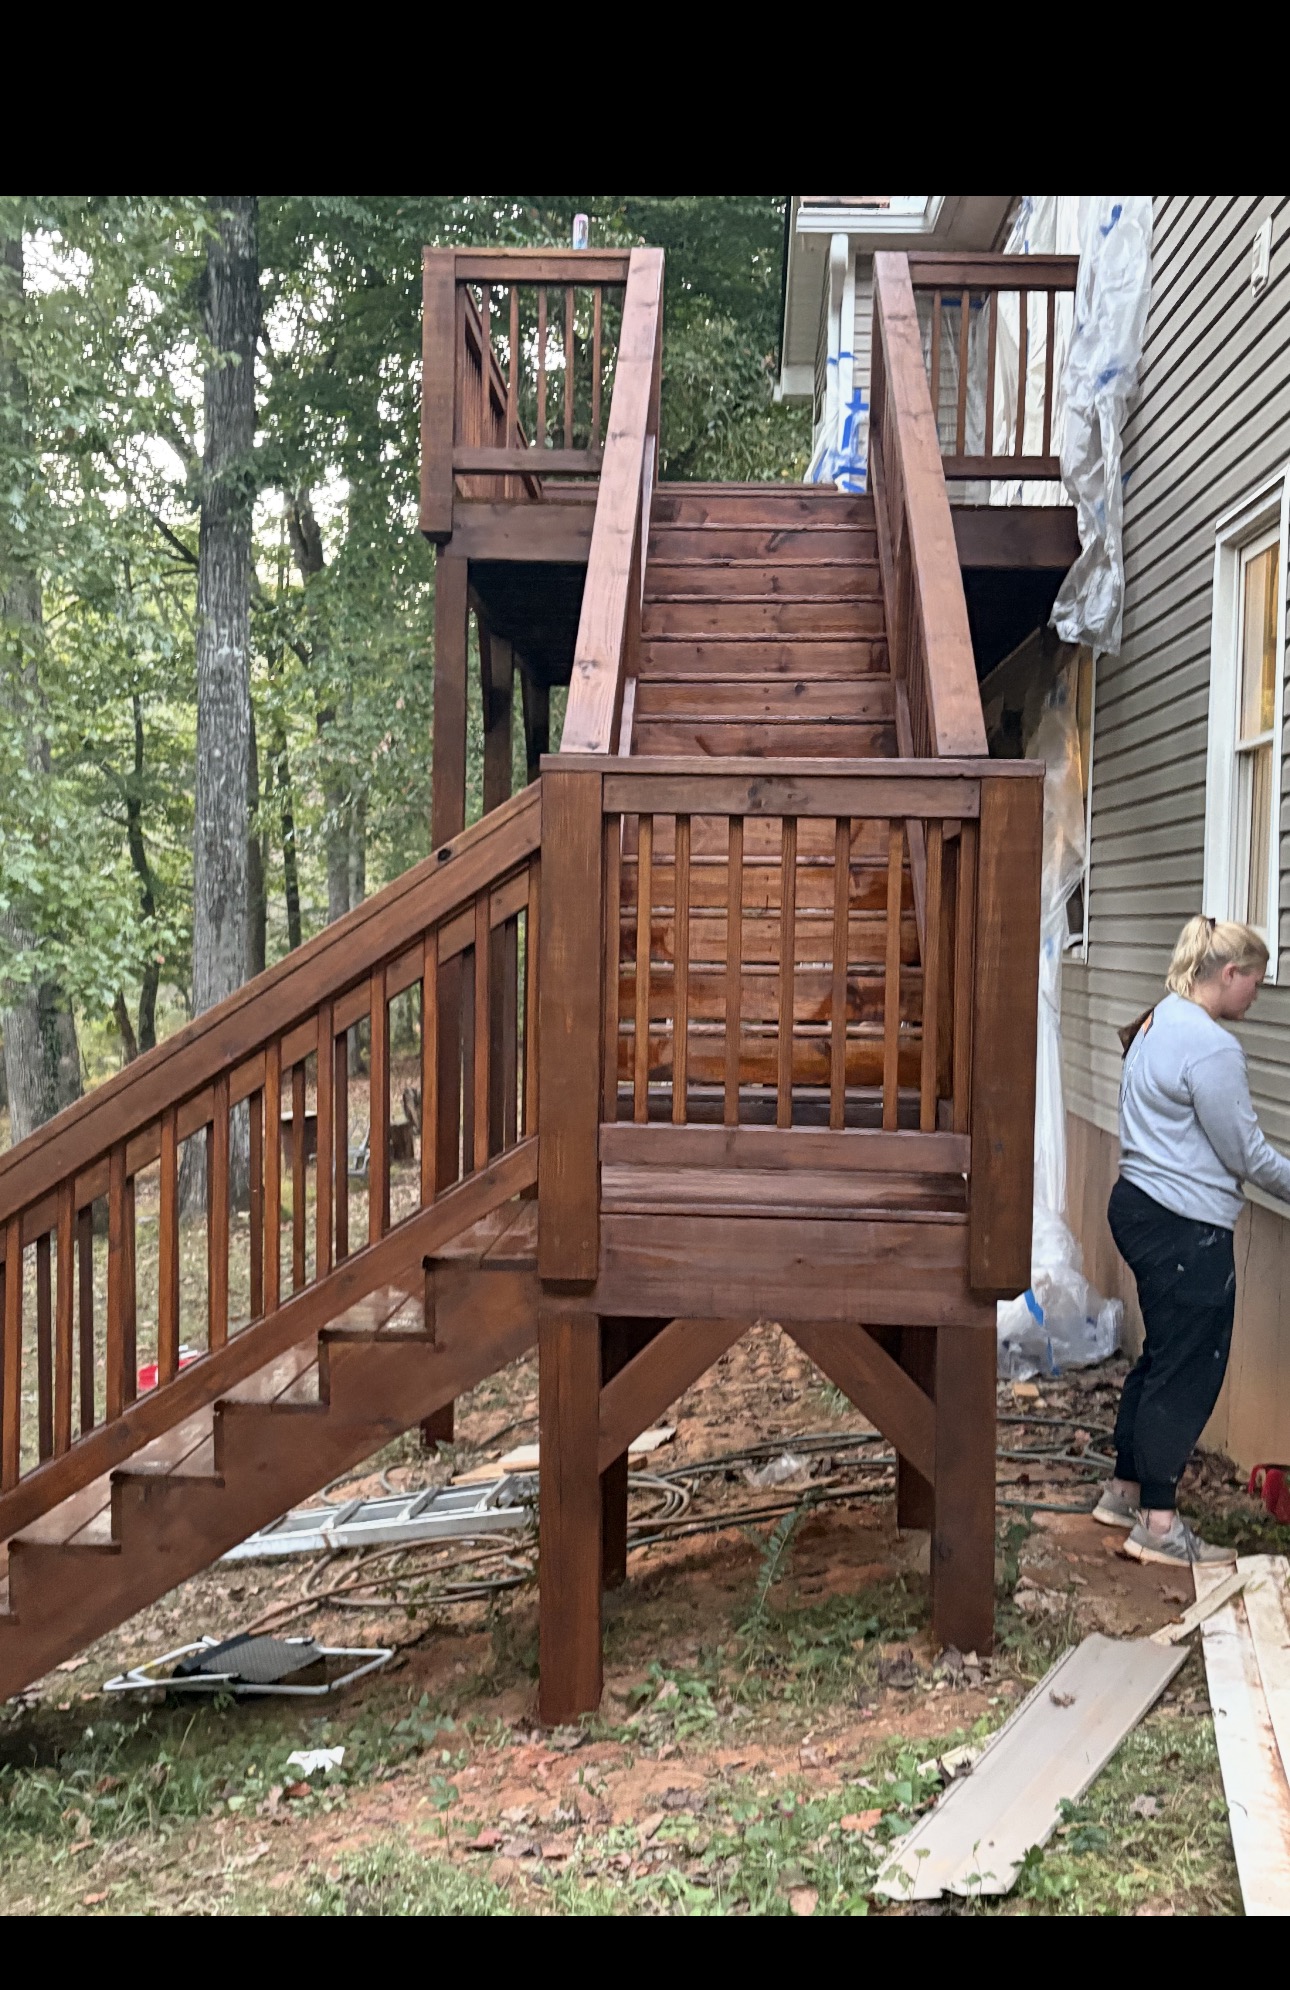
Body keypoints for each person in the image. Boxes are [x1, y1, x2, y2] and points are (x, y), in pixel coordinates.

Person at [1092, 915, 1290, 1566]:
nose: (1256, 998)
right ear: (1227, 975)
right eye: (1255, 982)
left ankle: (1124, 1491)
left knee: (1163, 1356)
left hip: (1141, 1206)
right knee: (1188, 1369)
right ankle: (1157, 1523)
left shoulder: (1158, 1020)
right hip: (1184, 1224)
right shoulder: (1210, 1047)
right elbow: (1247, 1154)